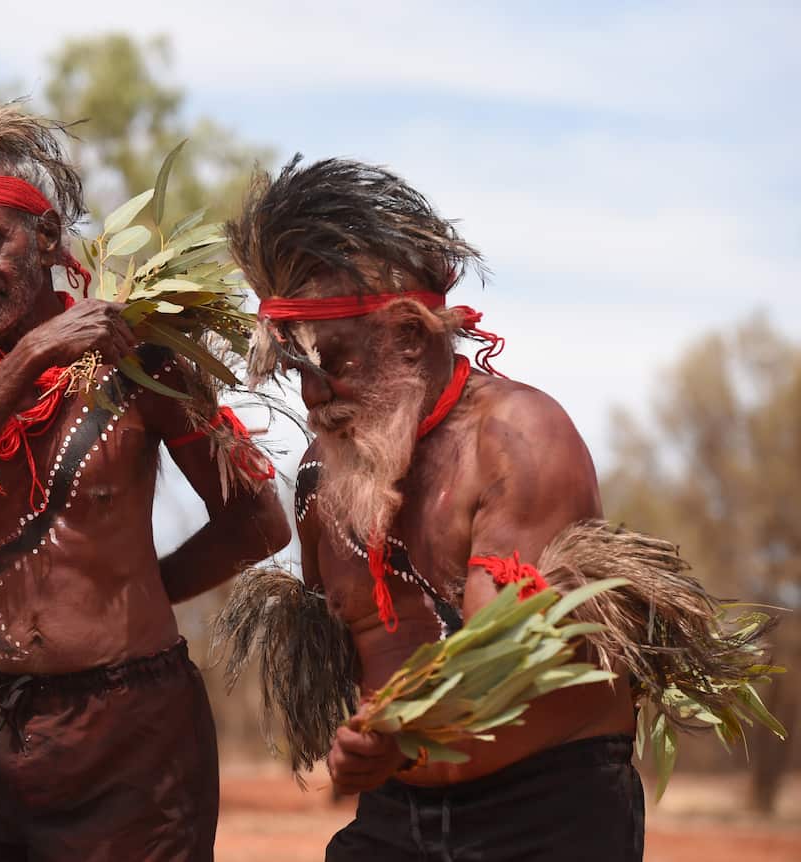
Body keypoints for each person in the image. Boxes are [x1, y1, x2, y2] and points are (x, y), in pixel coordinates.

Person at [0, 106, 291, 861]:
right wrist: (28, 360)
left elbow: (259, 524)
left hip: (132, 733)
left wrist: (138, 593)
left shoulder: (139, 357)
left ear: (48, 237)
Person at [225, 156, 645, 861]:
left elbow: (503, 663)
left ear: (411, 338)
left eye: (335, 361)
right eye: (300, 371)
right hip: (401, 808)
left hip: (548, 815)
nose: (313, 398)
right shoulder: (317, 480)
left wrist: (396, 734)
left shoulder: (518, 440)